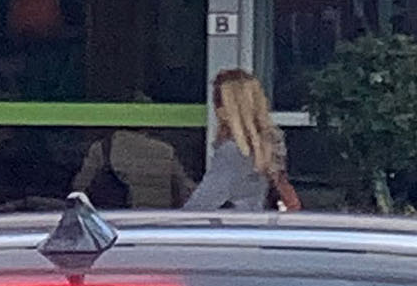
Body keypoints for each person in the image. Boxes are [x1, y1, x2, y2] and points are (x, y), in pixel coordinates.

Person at [184, 69, 303, 213]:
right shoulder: (268, 148)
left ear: (223, 110)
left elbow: (199, 206)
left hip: (235, 224)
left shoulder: (233, 152)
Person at [71, 130, 196, 210]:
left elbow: (80, 187)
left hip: (114, 218)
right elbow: (185, 190)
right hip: (157, 220)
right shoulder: (165, 150)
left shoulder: (102, 149)